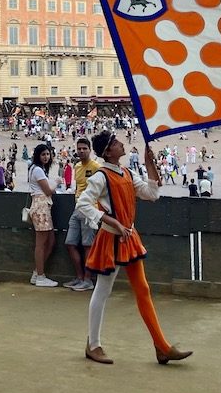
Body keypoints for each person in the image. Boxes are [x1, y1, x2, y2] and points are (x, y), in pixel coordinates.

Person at [77, 131, 191, 365]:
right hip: (111, 240)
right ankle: (94, 344)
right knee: (103, 290)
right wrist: (110, 221)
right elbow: (82, 203)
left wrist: (150, 165)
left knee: (142, 290)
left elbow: (151, 193)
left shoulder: (127, 173)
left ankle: (161, 345)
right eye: (116, 142)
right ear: (109, 151)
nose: (121, 143)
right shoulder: (101, 176)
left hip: (127, 237)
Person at [63, 138, 100, 292]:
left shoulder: (97, 167)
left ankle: (87, 279)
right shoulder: (77, 166)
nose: (81, 151)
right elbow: (78, 187)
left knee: (87, 246)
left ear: (90, 150)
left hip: (90, 209)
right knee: (70, 243)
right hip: (77, 208)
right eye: (79, 148)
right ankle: (80, 277)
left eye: (84, 148)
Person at [27, 143, 58, 287]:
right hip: (41, 206)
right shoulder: (38, 170)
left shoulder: (35, 169)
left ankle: (37, 273)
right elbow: (48, 191)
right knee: (41, 244)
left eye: (47, 154)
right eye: (43, 154)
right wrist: (57, 182)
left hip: (40, 205)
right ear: (38, 156)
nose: (46, 157)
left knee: (49, 242)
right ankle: (40, 275)